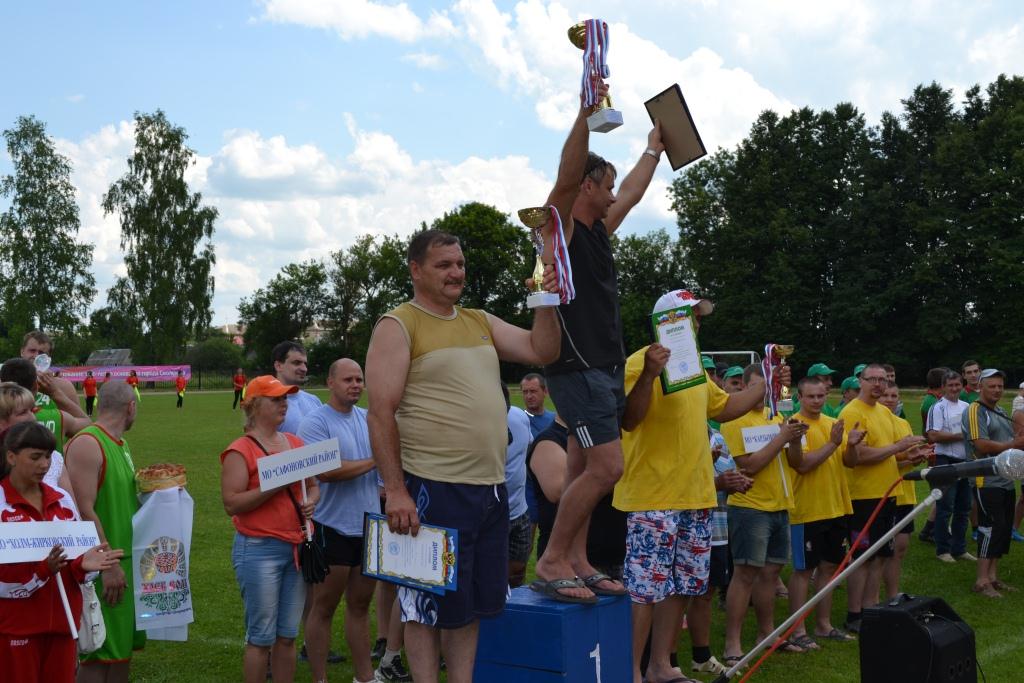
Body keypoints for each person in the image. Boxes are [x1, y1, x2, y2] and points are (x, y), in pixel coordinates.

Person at [366, 224, 562, 683]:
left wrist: (545, 301)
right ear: (416, 271)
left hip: (490, 491)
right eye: (443, 265)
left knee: (472, 604)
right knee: (423, 603)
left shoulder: (479, 320)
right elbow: (379, 413)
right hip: (432, 485)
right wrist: (395, 490)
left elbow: (541, 349)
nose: (456, 273)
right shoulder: (399, 324)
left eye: (459, 264)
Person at [536, 118, 667, 603]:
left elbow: (632, 193)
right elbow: (566, 179)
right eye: (606, 186)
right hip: (577, 367)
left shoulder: (598, 231)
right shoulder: (562, 228)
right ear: (587, 186)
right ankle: (551, 559)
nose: (614, 195)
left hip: (605, 367)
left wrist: (653, 150)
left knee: (581, 472)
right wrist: (583, 112)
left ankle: (578, 559)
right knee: (608, 468)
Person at [617, 290, 767, 683]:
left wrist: (764, 382)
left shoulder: (694, 369)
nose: (697, 325)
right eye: (692, 317)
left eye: (699, 318)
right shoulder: (638, 361)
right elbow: (630, 420)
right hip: (653, 494)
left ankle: (661, 668)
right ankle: (630, 671)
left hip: (698, 495)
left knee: (683, 584)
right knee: (645, 590)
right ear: (668, 321)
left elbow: (725, 408)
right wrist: (650, 372)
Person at [0, 421, 122, 683]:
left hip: (64, 626)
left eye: (48, 456)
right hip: (17, 629)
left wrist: (83, 565)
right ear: (11, 456)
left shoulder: (62, 499)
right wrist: (44, 570)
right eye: (35, 457)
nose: (45, 465)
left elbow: (77, 556)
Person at [220, 375, 321, 683]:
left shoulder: (295, 443)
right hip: (259, 549)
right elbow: (232, 503)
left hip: (296, 548)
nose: (284, 404)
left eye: (285, 398)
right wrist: (271, 485)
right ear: (254, 405)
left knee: (288, 635)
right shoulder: (240, 450)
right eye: (276, 399)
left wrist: (312, 502)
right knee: (261, 637)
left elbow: (313, 486)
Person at [297, 359, 383, 683]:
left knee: (360, 606)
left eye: (360, 378)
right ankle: (320, 678)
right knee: (323, 607)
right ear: (330, 382)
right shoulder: (315, 423)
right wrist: (377, 459)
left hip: (369, 525)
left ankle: (365, 677)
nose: (356, 384)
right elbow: (327, 471)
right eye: (348, 379)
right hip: (331, 526)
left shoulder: (367, 419)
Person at [720, 364, 807, 664]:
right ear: (745, 387)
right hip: (750, 508)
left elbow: (796, 462)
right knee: (745, 574)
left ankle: (767, 634)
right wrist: (783, 437)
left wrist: (793, 440)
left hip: (780, 506)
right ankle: (732, 643)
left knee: (770, 574)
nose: (763, 393)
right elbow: (750, 465)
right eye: (757, 386)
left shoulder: (776, 416)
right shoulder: (733, 420)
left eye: (767, 387)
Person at [838, 364, 930, 633]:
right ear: (861, 382)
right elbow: (859, 456)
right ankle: (854, 614)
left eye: (882, 379)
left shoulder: (883, 412)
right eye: (872, 380)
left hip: (887, 494)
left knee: (880, 556)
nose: (878, 384)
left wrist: (910, 456)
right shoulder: (852, 412)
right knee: (862, 557)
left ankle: (872, 608)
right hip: (863, 497)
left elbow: (890, 455)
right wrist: (898, 448)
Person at [66, 381, 144, 682]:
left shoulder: (119, 444)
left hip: (122, 563)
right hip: (102, 567)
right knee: (98, 652)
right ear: (131, 407)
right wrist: (108, 565)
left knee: (120, 652)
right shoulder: (89, 443)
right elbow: (83, 510)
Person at [786, 376, 859, 648]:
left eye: (820, 396)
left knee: (830, 566)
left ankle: (823, 625)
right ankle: (797, 630)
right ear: (800, 397)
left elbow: (850, 463)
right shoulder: (794, 426)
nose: (817, 401)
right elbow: (802, 465)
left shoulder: (832, 424)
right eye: (811, 396)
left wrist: (850, 445)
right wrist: (832, 443)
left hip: (836, 507)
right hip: (807, 510)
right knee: (804, 570)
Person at [526, 418, 626, 582]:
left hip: (617, 559)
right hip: (574, 566)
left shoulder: (606, 438)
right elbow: (558, 490)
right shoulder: (549, 440)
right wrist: (610, 474)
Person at [962, 369, 1024, 597]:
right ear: (980, 387)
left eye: (1000, 386)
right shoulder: (975, 410)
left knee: (1003, 528)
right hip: (985, 478)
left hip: (1005, 479)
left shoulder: (998, 410)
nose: (997, 390)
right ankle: (981, 580)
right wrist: (1014, 445)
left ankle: (992, 577)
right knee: (990, 528)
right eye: (992, 386)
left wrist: (1015, 444)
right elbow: (981, 445)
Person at [0, 359, 90, 481]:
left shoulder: (8, 417)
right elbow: (88, 424)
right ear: (36, 386)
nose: (32, 417)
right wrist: (55, 393)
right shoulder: (56, 416)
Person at [879, 381, 925, 599]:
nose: (890, 399)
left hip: (905, 491)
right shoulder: (876, 423)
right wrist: (906, 457)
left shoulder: (902, 423)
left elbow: (907, 459)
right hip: (884, 492)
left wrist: (918, 457)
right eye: (885, 395)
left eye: (894, 395)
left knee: (901, 547)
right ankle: (877, 597)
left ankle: (893, 594)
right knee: (883, 550)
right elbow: (882, 463)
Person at [926, 371, 974, 563]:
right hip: (945, 460)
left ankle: (960, 548)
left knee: (964, 507)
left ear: (961, 385)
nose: (954, 389)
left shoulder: (967, 406)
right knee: (945, 507)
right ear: (944, 387)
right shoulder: (938, 407)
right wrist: (961, 435)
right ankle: (942, 549)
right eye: (950, 385)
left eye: (957, 385)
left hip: (965, 461)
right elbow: (933, 435)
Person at [0, 382, 75, 496]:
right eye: (23, 413)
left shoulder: (53, 458)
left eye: (32, 410)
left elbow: (70, 509)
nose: (33, 418)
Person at [503, 384, 534, 589]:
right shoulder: (471, 425)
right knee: (491, 576)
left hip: (520, 512)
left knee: (517, 573)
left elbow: (527, 446)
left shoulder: (519, 417)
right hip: (491, 515)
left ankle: (516, 615)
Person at [917, 366, 950, 544]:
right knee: (942, 492)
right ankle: (930, 530)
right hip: (935, 451)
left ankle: (931, 529)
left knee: (943, 491)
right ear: (941, 383)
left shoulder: (933, 399)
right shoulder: (932, 402)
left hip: (935, 449)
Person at [19, 331, 85, 420]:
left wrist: (55, 393)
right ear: (22, 352)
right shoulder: (6, 383)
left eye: (41, 353)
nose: (36, 356)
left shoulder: (63, 386)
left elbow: (81, 423)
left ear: (49, 358)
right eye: (32, 351)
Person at [273, 341, 322, 435]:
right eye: (297, 363)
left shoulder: (314, 400)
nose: (304, 369)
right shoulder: (267, 404)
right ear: (278, 366)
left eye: (305, 364)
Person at [520, 373, 555, 438]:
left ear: (545, 392)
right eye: (525, 392)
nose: (529, 396)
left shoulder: (555, 420)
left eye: (533, 391)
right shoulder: (518, 420)